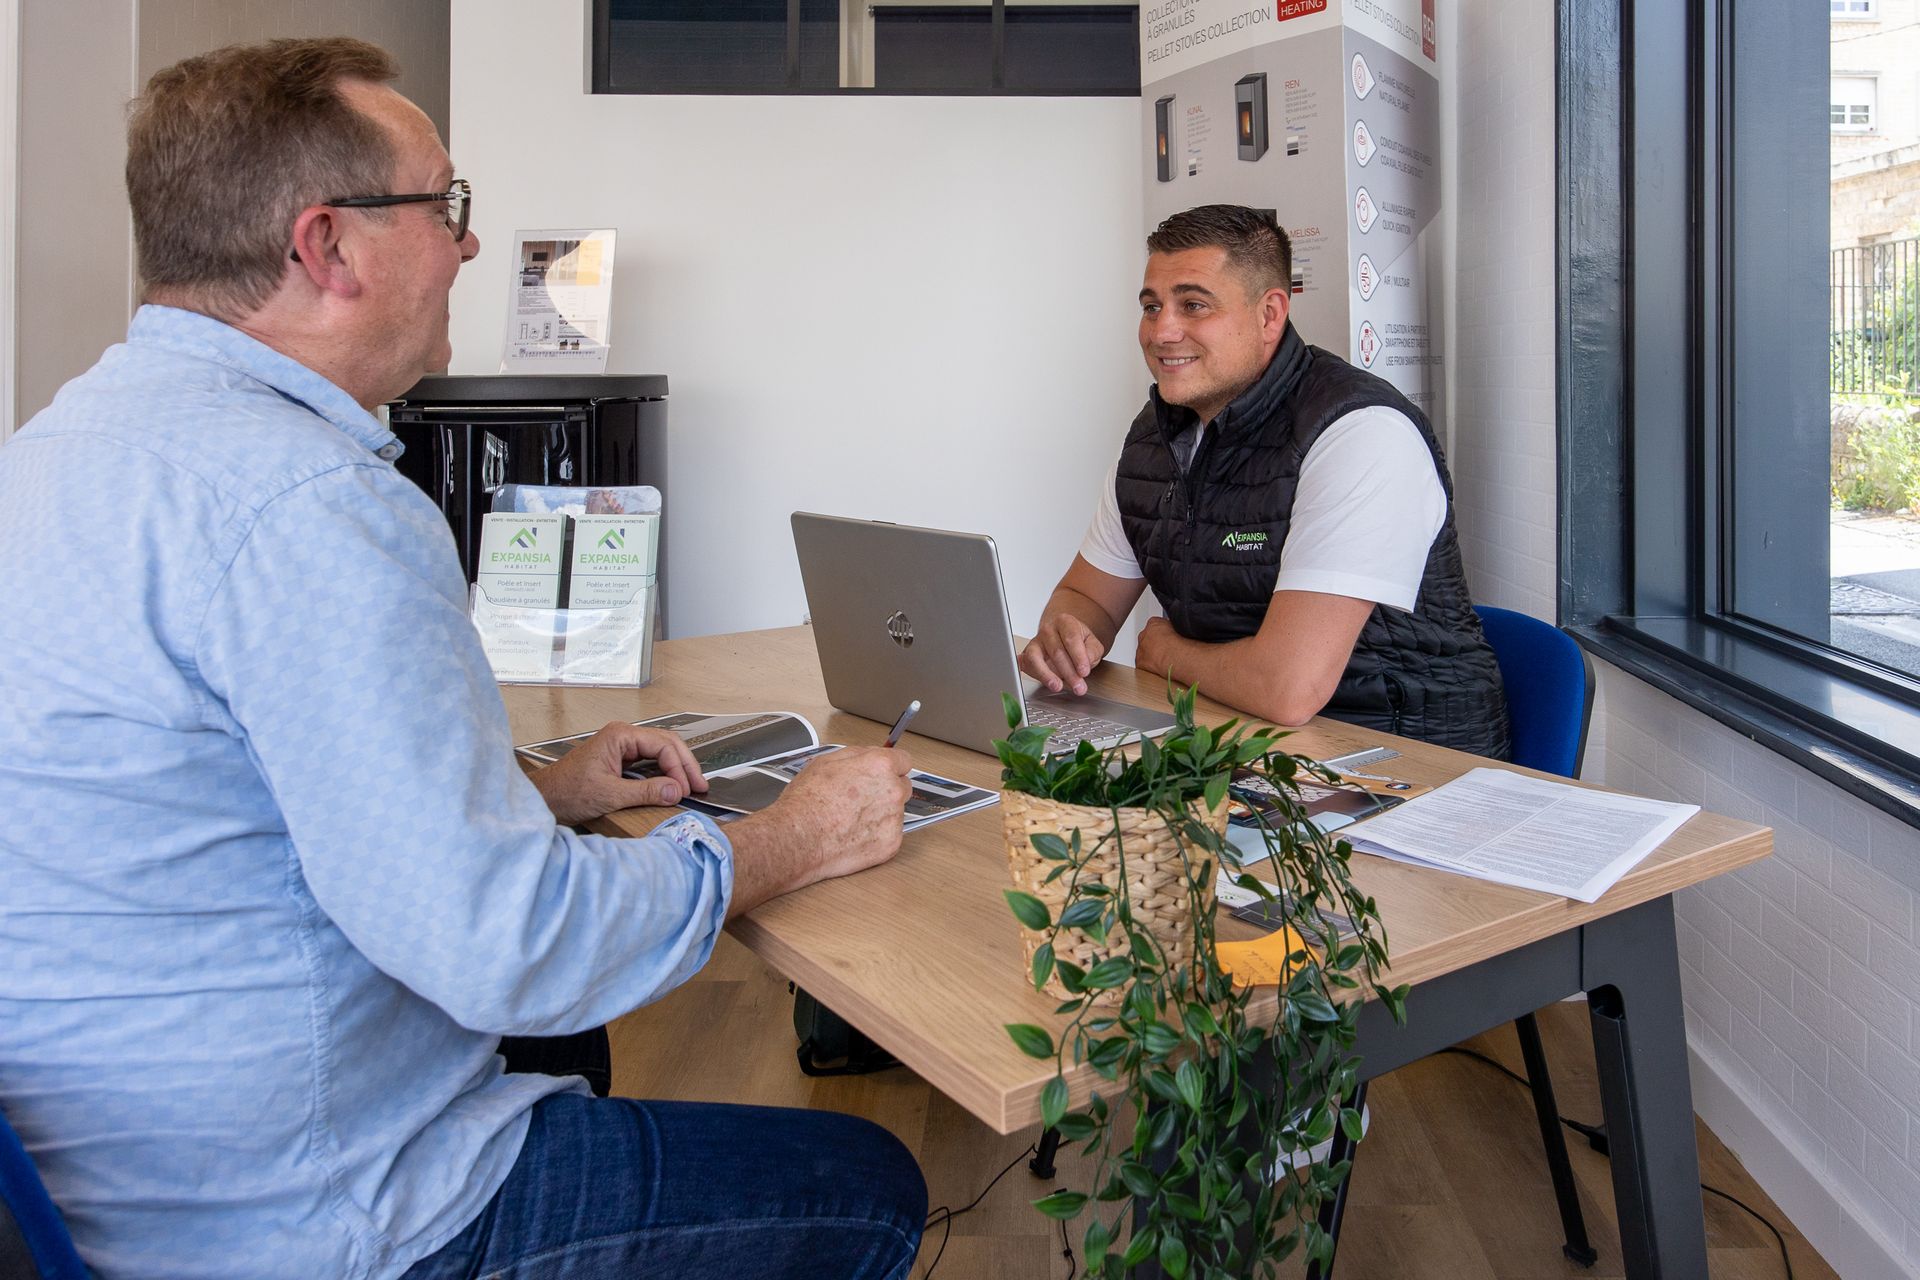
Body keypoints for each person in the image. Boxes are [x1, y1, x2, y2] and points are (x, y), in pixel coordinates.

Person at [0, 38, 924, 1280]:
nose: (470, 244)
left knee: (566, 1053)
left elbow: (239, 800)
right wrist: (796, 833)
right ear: (327, 246)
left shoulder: (63, 449)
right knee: (866, 1182)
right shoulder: (308, 503)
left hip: (111, 1176)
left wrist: (542, 792)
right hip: (315, 1217)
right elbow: (511, 945)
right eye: (447, 205)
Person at [1020, 204, 1508, 758]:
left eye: (1193, 305)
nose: (1162, 331)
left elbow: (1287, 689)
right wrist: (1070, 636)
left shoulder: (1360, 432)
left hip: (1403, 756)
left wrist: (1163, 653)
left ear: (1270, 313)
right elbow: (1088, 596)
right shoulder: (1155, 434)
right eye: (1152, 307)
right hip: (1233, 734)